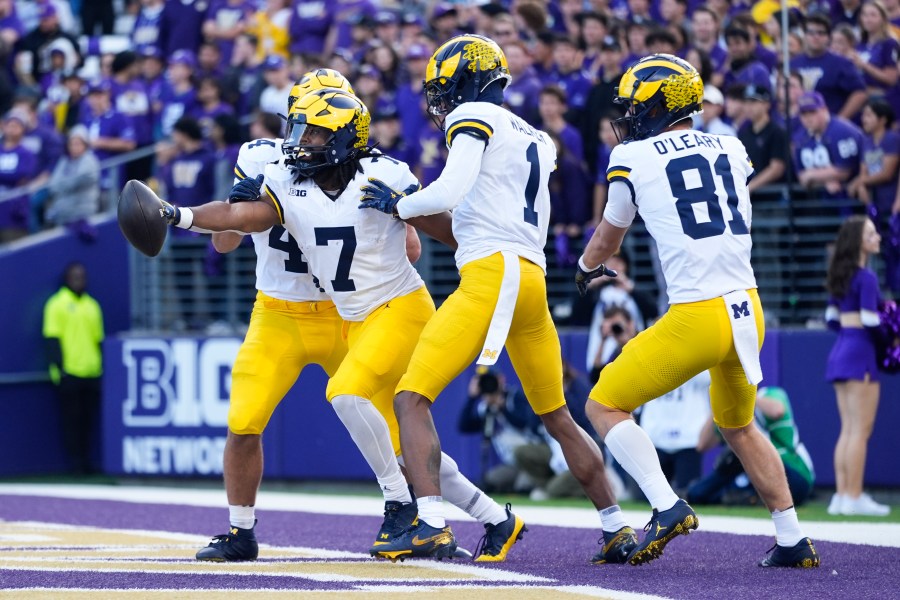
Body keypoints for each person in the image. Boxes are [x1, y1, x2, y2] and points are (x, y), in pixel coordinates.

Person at [150, 83, 519, 563]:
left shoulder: (383, 172)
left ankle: (403, 506)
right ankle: (493, 516)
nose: (300, 142)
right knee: (260, 422)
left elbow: (429, 239)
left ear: (345, 134)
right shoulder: (277, 170)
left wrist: (407, 212)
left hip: (380, 308)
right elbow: (241, 218)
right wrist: (179, 214)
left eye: (314, 133)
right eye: (297, 128)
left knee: (359, 405)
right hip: (305, 312)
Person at [357, 34, 636, 566]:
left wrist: (401, 203)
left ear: (468, 80)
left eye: (445, 86)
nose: (440, 100)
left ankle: (432, 525)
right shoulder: (533, 135)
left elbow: (448, 190)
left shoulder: (476, 116)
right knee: (556, 415)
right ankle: (616, 526)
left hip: (493, 273)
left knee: (410, 398)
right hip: (531, 276)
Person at [575, 53, 819, 568]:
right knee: (740, 426)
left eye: (637, 105)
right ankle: (793, 538)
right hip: (749, 307)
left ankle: (666, 506)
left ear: (663, 104)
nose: (630, 116)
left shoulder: (635, 158)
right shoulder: (732, 146)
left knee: (603, 404)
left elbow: (610, 231)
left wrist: (584, 266)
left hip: (699, 311)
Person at [825, 215, 891, 516]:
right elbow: (870, 320)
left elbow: (831, 319)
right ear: (858, 241)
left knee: (848, 429)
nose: (877, 237)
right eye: (870, 233)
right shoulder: (866, 278)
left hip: (841, 351)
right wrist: (890, 338)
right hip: (860, 354)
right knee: (860, 430)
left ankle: (841, 497)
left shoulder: (840, 274)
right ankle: (853, 495)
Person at [688, 386, 815, 507]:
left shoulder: (769, 394)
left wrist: (743, 396)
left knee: (747, 449)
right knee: (699, 492)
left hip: (792, 472)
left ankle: (745, 494)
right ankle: (742, 495)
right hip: (752, 470)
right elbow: (702, 445)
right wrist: (719, 403)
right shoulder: (729, 410)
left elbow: (777, 410)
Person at [43, 262, 104, 474]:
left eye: (82, 276)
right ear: (67, 278)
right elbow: (51, 339)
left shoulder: (92, 305)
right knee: (72, 421)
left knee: (88, 421)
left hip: (91, 372)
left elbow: (98, 340)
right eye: (75, 276)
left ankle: (87, 462)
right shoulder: (56, 304)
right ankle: (75, 464)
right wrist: (60, 369)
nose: (80, 279)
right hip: (69, 373)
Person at [457, 367, 541, 494]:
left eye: (491, 380)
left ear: (501, 379)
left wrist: (501, 407)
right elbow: (464, 426)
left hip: (530, 460)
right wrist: (471, 398)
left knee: (523, 487)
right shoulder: (485, 408)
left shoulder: (515, 397)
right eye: (483, 382)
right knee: (489, 483)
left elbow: (525, 423)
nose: (488, 385)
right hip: (511, 464)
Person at [639, 371, 712, 498]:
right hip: (655, 437)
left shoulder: (695, 358)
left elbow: (707, 377)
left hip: (688, 438)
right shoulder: (651, 357)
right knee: (651, 498)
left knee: (689, 496)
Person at [43, 125, 100, 228]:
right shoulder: (64, 161)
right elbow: (53, 185)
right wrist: (65, 185)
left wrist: (63, 185)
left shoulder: (89, 160)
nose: (74, 147)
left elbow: (79, 180)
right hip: (62, 214)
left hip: (82, 215)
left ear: (85, 145)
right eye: (72, 144)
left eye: (78, 144)